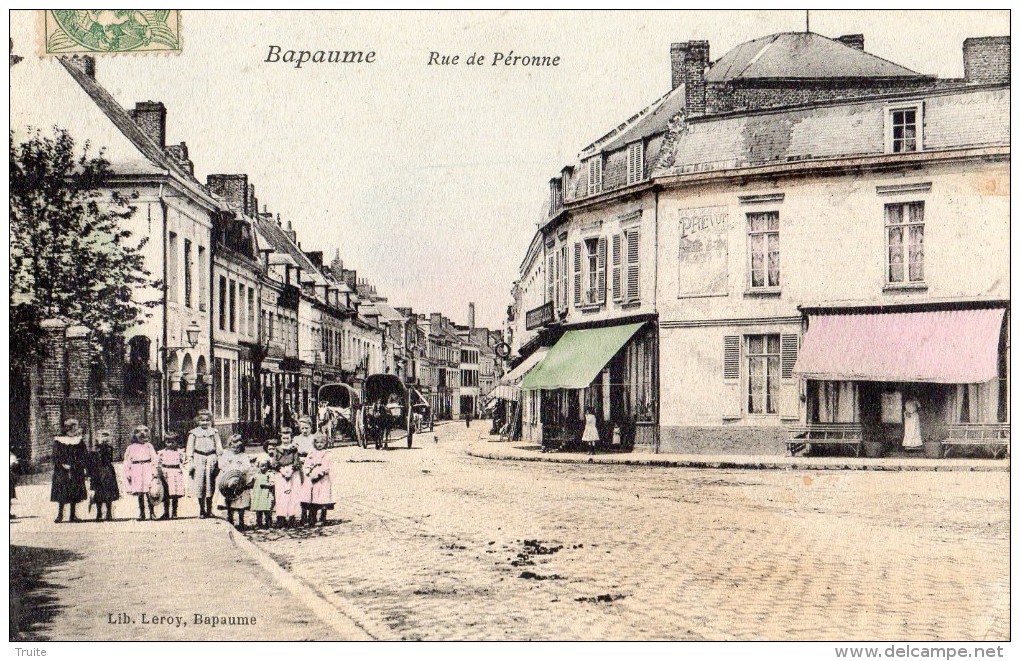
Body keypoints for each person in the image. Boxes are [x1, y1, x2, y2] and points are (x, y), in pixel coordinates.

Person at [186, 410, 223, 519]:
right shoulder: (193, 433)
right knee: (200, 485)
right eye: (202, 420)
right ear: (198, 421)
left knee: (210, 484)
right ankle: (202, 510)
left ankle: (209, 509)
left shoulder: (214, 432)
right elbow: (189, 449)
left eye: (207, 420)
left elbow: (219, 448)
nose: (205, 423)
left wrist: (219, 460)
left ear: (210, 421)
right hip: (199, 459)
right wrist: (190, 460)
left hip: (211, 458)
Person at [51, 419, 89, 523]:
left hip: (76, 469)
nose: (76, 429)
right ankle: (60, 515)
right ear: (69, 428)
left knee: (74, 491)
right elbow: (55, 456)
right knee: (62, 492)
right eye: (74, 427)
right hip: (62, 470)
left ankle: (73, 515)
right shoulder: (59, 441)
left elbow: (84, 454)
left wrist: (81, 465)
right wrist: (62, 464)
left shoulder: (79, 440)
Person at [217, 434, 254, 529]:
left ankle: (241, 521)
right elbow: (221, 465)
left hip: (240, 481)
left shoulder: (244, 456)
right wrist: (227, 471)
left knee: (241, 501)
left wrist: (243, 475)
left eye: (238, 447)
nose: (235, 448)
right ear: (229, 445)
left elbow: (247, 468)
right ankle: (230, 520)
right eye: (233, 446)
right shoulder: (226, 454)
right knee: (229, 500)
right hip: (228, 481)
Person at [123, 425, 159, 521]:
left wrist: (154, 471)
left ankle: (152, 513)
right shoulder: (131, 448)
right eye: (139, 432)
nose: (142, 434)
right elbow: (127, 461)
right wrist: (128, 473)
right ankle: (142, 513)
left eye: (145, 431)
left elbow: (154, 459)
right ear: (134, 435)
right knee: (139, 492)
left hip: (147, 468)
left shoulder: (149, 446)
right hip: (136, 469)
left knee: (149, 492)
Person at [86, 429, 120, 522]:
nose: (104, 438)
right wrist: (89, 473)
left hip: (107, 471)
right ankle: (99, 513)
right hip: (96, 472)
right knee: (98, 492)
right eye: (101, 436)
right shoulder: (93, 450)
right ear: (97, 438)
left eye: (106, 436)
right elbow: (90, 462)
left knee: (108, 492)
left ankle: (109, 513)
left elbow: (108, 460)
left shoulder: (109, 448)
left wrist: (103, 447)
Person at [301, 435, 334, 526]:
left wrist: (320, 474)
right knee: (313, 497)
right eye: (317, 443)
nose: (319, 445)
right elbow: (307, 463)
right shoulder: (311, 453)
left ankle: (322, 517)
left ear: (325, 443)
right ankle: (312, 518)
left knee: (323, 497)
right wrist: (308, 471)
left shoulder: (327, 453)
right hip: (312, 477)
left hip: (322, 479)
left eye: (321, 443)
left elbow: (327, 466)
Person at [274, 427, 302, 528]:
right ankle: (281, 518)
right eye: (284, 438)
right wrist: (281, 470)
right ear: (281, 438)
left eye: (288, 438)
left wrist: (291, 470)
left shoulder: (294, 449)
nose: (286, 440)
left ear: (291, 438)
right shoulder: (277, 449)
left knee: (292, 494)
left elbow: (296, 461)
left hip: (292, 473)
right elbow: (275, 462)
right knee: (281, 495)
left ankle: (292, 517)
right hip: (280, 473)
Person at [292, 417, 318, 525]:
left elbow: (318, 451)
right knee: (302, 491)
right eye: (302, 428)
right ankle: (303, 515)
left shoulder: (314, 438)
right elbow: (294, 452)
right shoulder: (297, 439)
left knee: (313, 491)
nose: (304, 430)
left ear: (311, 428)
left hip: (312, 466)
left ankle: (313, 515)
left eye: (306, 428)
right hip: (301, 467)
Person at [157, 432, 186, 519]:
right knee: (165, 493)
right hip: (165, 473)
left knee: (174, 493)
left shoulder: (179, 452)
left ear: (176, 442)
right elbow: (158, 463)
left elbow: (184, 462)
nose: (170, 444)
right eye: (168, 442)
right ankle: (166, 512)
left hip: (175, 473)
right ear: (165, 442)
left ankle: (174, 512)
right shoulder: (161, 453)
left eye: (173, 442)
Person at [249, 458, 275, 529]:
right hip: (258, 494)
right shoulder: (256, 475)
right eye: (261, 466)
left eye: (265, 466)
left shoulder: (269, 474)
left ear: (268, 466)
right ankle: (259, 524)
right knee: (258, 510)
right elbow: (250, 483)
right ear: (258, 466)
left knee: (267, 509)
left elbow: (272, 483)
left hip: (266, 494)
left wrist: (267, 485)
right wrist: (250, 480)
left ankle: (268, 524)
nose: (263, 467)